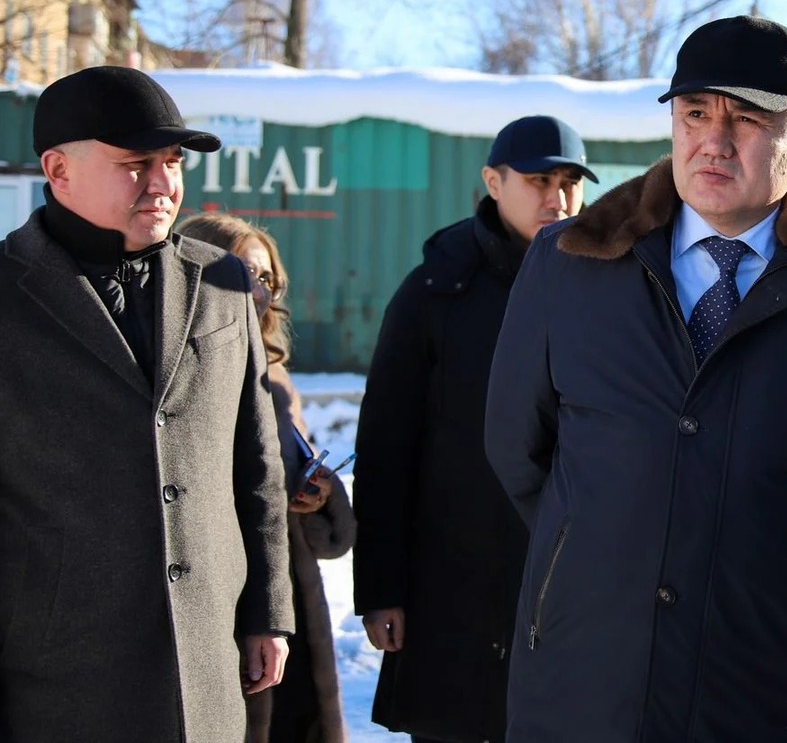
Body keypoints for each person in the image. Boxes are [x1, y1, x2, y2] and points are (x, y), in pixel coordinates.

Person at [485, 15, 787, 742]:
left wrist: (784, 569)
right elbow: (517, 446)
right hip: (587, 675)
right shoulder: (569, 263)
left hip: (768, 687)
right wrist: (604, 546)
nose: (714, 140)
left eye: (748, 119)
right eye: (696, 112)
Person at [0, 66, 293, 742]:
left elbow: (256, 459)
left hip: (206, 668)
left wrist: (268, 610)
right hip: (57, 679)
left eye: (171, 163)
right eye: (135, 165)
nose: (163, 185)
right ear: (58, 168)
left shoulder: (223, 282)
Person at [352, 114, 598, 742]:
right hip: (451, 585)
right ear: (493, 180)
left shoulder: (607, 284)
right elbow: (385, 448)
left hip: (571, 582)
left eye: (571, 182)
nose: (559, 198)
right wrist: (380, 588)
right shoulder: (436, 291)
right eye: (540, 180)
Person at [176, 212, 358, 743]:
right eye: (242, 274)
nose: (258, 292)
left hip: (287, 601)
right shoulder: (174, 375)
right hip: (215, 604)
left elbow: (299, 483)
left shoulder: (275, 381)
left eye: (266, 279)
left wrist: (318, 493)